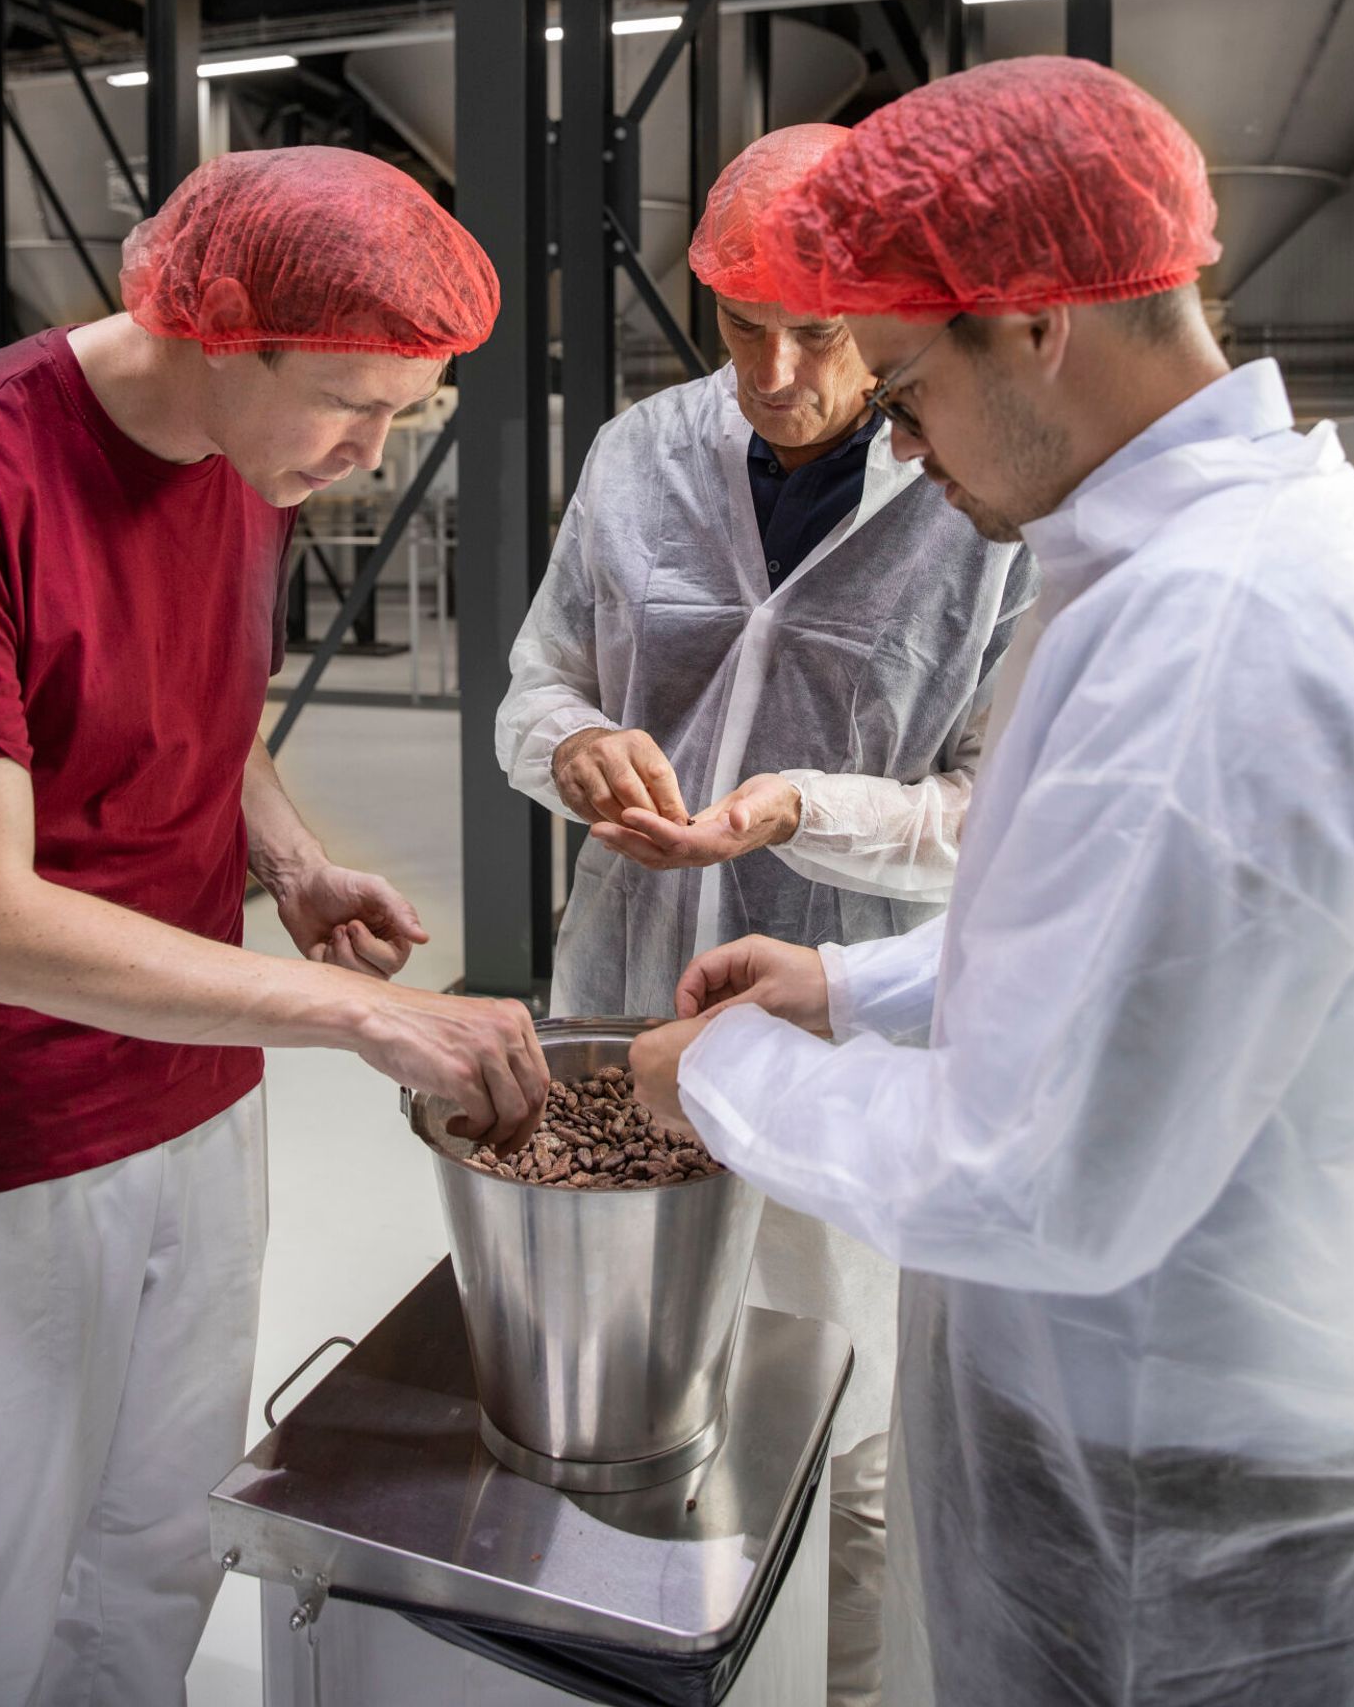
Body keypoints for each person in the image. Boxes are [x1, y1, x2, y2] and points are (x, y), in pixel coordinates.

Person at [631, 56, 1354, 1706]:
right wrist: (845, 989)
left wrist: (729, 1078)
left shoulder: (1220, 634)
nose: (900, 439)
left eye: (903, 387)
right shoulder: (1175, 570)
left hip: (1177, 1497)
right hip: (1129, 1422)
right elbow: (1120, 948)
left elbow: (1034, 1176)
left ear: (1036, 320)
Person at [0, 147, 548, 1707]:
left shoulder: (252, 456)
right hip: (2, 1136)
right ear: (209, 330)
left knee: (155, 1552)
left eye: (405, 412)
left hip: (199, 1097)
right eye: (349, 404)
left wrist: (291, 856)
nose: (374, 454)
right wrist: (361, 1017)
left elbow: (191, 691)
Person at [496, 124, 1035, 1707]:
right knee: (620, 1399)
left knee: (842, 1425)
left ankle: (846, 1689)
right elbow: (538, 684)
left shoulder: (974, 495)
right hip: (622, 997)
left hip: (834, 1021)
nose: (780, 371)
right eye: (743, 326)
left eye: (824, 331)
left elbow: (980, 824)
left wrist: (801, 808)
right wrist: (571, 751)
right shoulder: (636, 456)